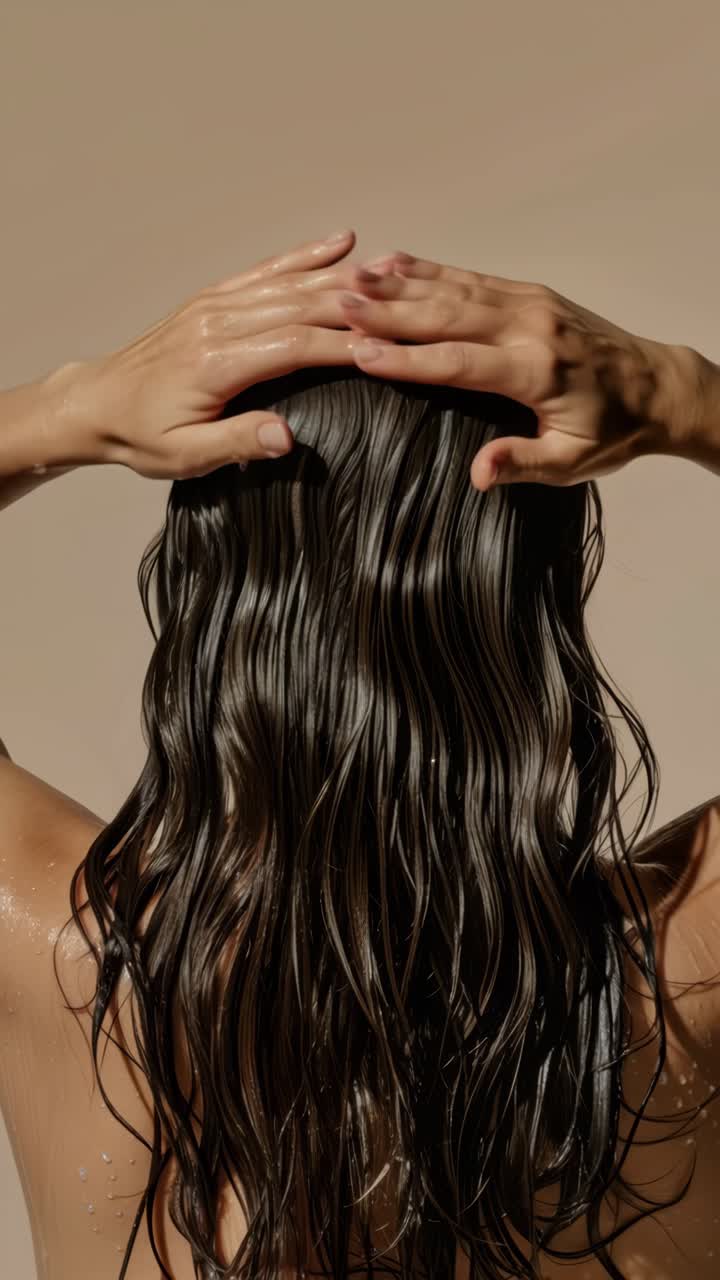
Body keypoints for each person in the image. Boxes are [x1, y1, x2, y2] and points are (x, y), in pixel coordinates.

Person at [0, 228, 718, 1280]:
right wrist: (683, 394)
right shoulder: (680, 983)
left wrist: (70, 410)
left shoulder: (63, 958)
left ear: (213, 600)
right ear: (537, 598)